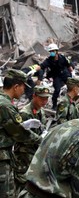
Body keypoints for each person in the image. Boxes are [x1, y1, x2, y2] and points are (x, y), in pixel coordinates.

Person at [0, 69, 42, 197]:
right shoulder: (5, 105)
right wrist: (41, 139)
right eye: (23, 87)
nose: (24, 91)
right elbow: (19, 134)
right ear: (16, 86)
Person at [14, 86, 51, 195]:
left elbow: (42, 128)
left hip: (35, 153)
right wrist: (40, 139)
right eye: (41, 98)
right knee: (22, 182)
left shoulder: (41, 111)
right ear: (34, 96)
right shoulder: (25, 113)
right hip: (24, 154)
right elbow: (21, 136)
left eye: (46, 99)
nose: (44, 101)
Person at [40, 43, 73, 110]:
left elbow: (68, 65)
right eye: (50, 51)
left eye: (53, 51)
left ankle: (71, 101)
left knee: (71, 87)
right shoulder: (49, 60)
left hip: (65, 74)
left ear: (56, 51)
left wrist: (72, 72)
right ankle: (54, 105)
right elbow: (41, 66)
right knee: (57, 90)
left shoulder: (62, 57)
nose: (52, 53)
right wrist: (33, 69)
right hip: (56, 75)